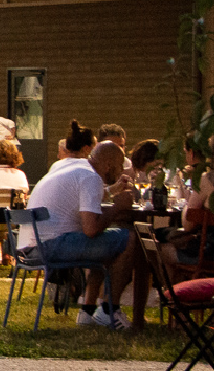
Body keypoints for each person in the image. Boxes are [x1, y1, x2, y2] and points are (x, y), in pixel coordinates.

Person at [18, 140, 135, 329]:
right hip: (52, 246)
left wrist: (112, 192)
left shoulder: (69, 166)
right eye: (120, 165)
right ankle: (108, 309)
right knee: (129, 238)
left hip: (31, 246)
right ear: (108, 165)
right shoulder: (91, 177)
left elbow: (83, 198)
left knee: (105, 242)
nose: (122, 170)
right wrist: (117, 208)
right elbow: (91, 229)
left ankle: (87, 311)